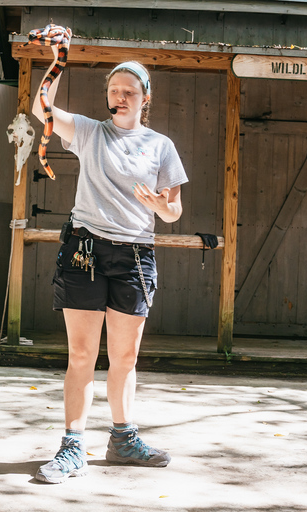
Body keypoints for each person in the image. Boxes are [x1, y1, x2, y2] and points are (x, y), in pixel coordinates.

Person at [31, 47, 189, 484]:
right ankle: (71, 447)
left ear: (145, 98)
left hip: (135, 255)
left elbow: (174, 212)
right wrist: (58, 62)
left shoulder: (161, 146)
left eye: (129, 91)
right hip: (84, 250)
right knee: (81, 354)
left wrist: (162, 205)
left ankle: (123, 440)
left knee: (124, 356)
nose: (120, 97)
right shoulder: (88, 131)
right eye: (114, 90)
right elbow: (40, 107)